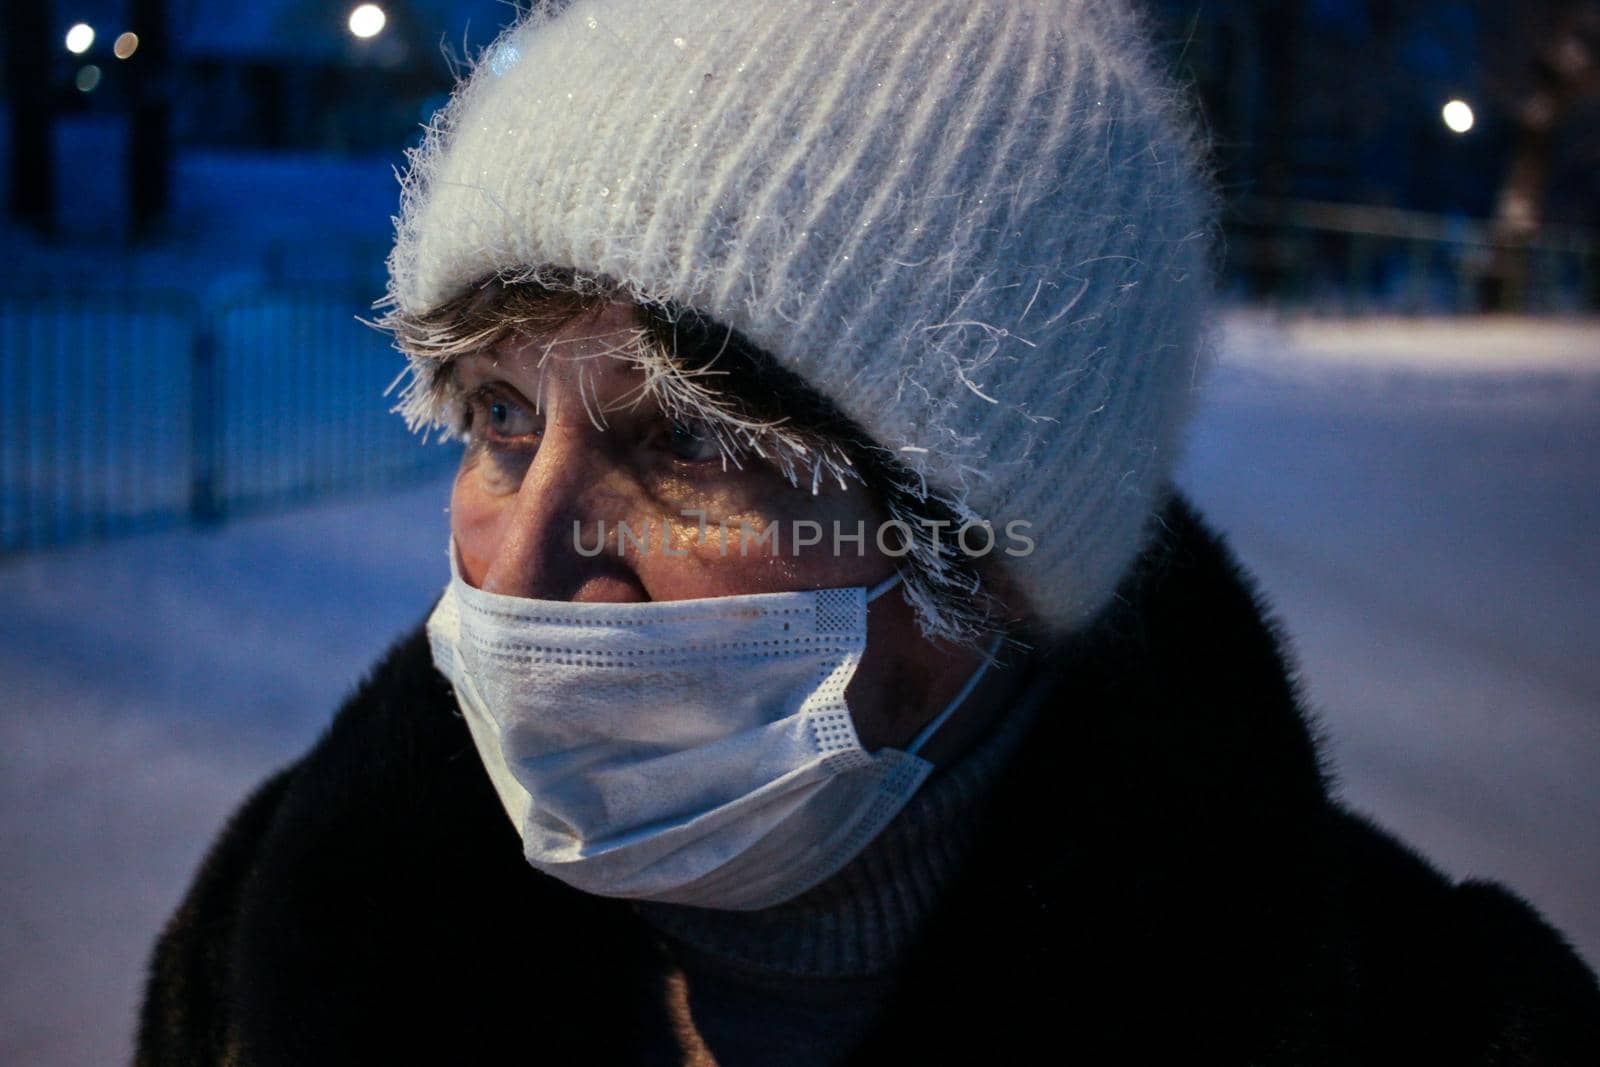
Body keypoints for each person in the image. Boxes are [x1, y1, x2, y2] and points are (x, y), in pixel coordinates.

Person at [137, 1, 1600, 1063]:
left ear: (1002, 562)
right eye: (502, 421)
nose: (525, 565)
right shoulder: (280, 940)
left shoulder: (1443, 1028)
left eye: (696, 441)